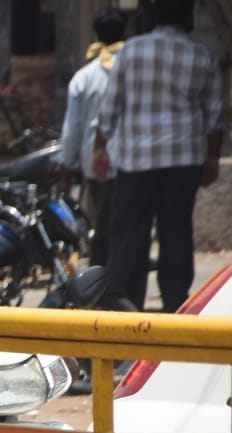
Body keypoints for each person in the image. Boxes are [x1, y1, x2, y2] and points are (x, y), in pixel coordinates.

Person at [93, 0, 225, 313]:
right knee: (176, 232)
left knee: (130, 236)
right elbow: (216, 117)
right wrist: (212, 158)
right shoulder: (200, 54)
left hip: (136, 161)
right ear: (188, 17)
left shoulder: (132, 51)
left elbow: (110, 107)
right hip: (183, 160)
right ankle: (176, 305)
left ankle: (126, 308)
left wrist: (100, 147)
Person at [56, 6, 126, 268]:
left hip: (95, 165)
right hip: (132, 164)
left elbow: (72, 128)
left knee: (100, 227)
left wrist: (66, 165)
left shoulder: (83, 78)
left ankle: (101, 283)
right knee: (125, 228)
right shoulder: (133, 70)